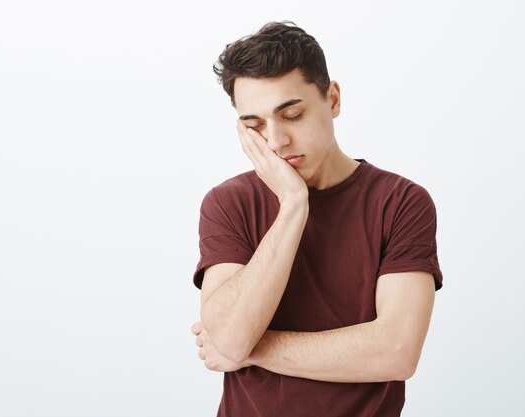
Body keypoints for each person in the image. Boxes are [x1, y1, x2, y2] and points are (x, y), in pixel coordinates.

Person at [190, 20, 443, 417]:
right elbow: (226, 339)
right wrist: (293, 204)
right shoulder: (228, 203)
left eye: (291, 115)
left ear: (333, 99)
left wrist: (250, 348)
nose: (275, 142)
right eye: (254, 126)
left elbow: (396, 351)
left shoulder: (401, 203)